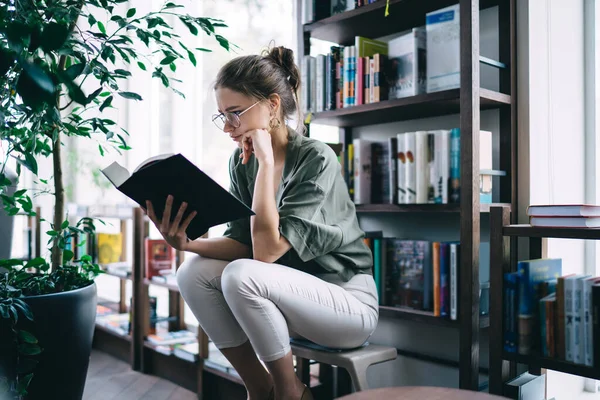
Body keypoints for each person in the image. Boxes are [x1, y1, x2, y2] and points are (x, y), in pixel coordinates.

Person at [144, 45, 378, 400]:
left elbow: (264, 254)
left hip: (346, 305)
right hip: (287, 300)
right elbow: (244, 244)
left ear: (272, 106)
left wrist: (268, 165)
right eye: (221, 115)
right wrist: (186, 244)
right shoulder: (241, 163)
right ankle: (259, 386)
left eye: (235, 113)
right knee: (191, 272)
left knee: (242, 274)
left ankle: (290, 392)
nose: (227, 127)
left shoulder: (315, 158)